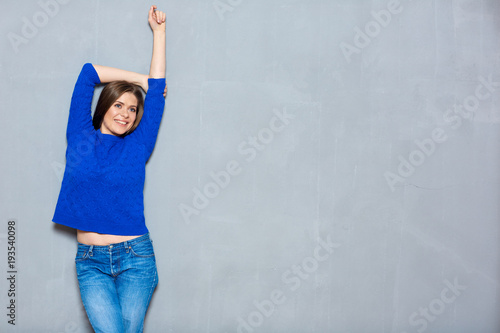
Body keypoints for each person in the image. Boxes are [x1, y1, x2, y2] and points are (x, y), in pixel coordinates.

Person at [52, 5, 167, 332]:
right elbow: (88, 73)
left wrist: (159, 34)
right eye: (118, 105)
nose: (126, 114)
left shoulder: (137, 145)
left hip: (136, 259)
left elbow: (157, 93)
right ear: (105, 107)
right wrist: (137, 80)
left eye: (132, 109)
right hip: (90, 263)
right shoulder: (79, 136)